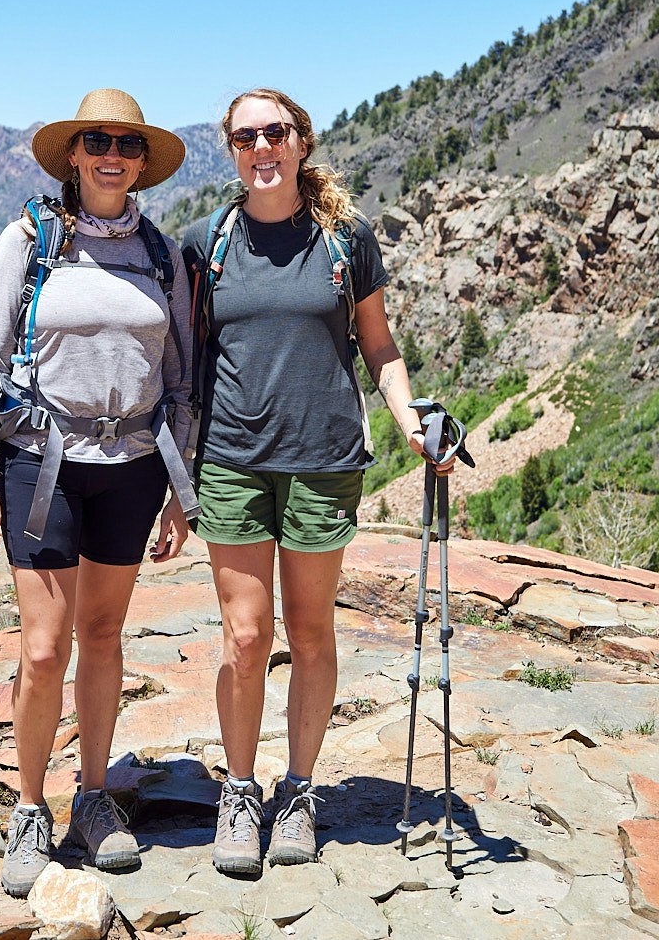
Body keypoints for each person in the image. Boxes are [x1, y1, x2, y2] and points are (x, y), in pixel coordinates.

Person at [182, 86, 454, 877]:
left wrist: (410, 420)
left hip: (325, 459)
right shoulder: (209, 242)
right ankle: (241, 791)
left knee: (310, 632)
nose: (260, 147)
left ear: (301, 141)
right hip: (232, 457)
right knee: (244, 637)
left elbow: (380, 346)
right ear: (230, 150)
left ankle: (297, 792)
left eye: (274, 132)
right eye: (245, 137)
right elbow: (181, 357)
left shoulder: (346, 239)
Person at [0, 87, 200, 899]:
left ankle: (92, 799)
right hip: (41, 463)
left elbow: (181, 381)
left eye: (127, 146)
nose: (111, 155)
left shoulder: (161, 255)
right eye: (96, 140)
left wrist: (181, 486)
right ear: (73, 154)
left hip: (133, 467)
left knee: (102, 635)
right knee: (43, 646)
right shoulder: (30, 240)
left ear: (143, 164)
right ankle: (29, 806)